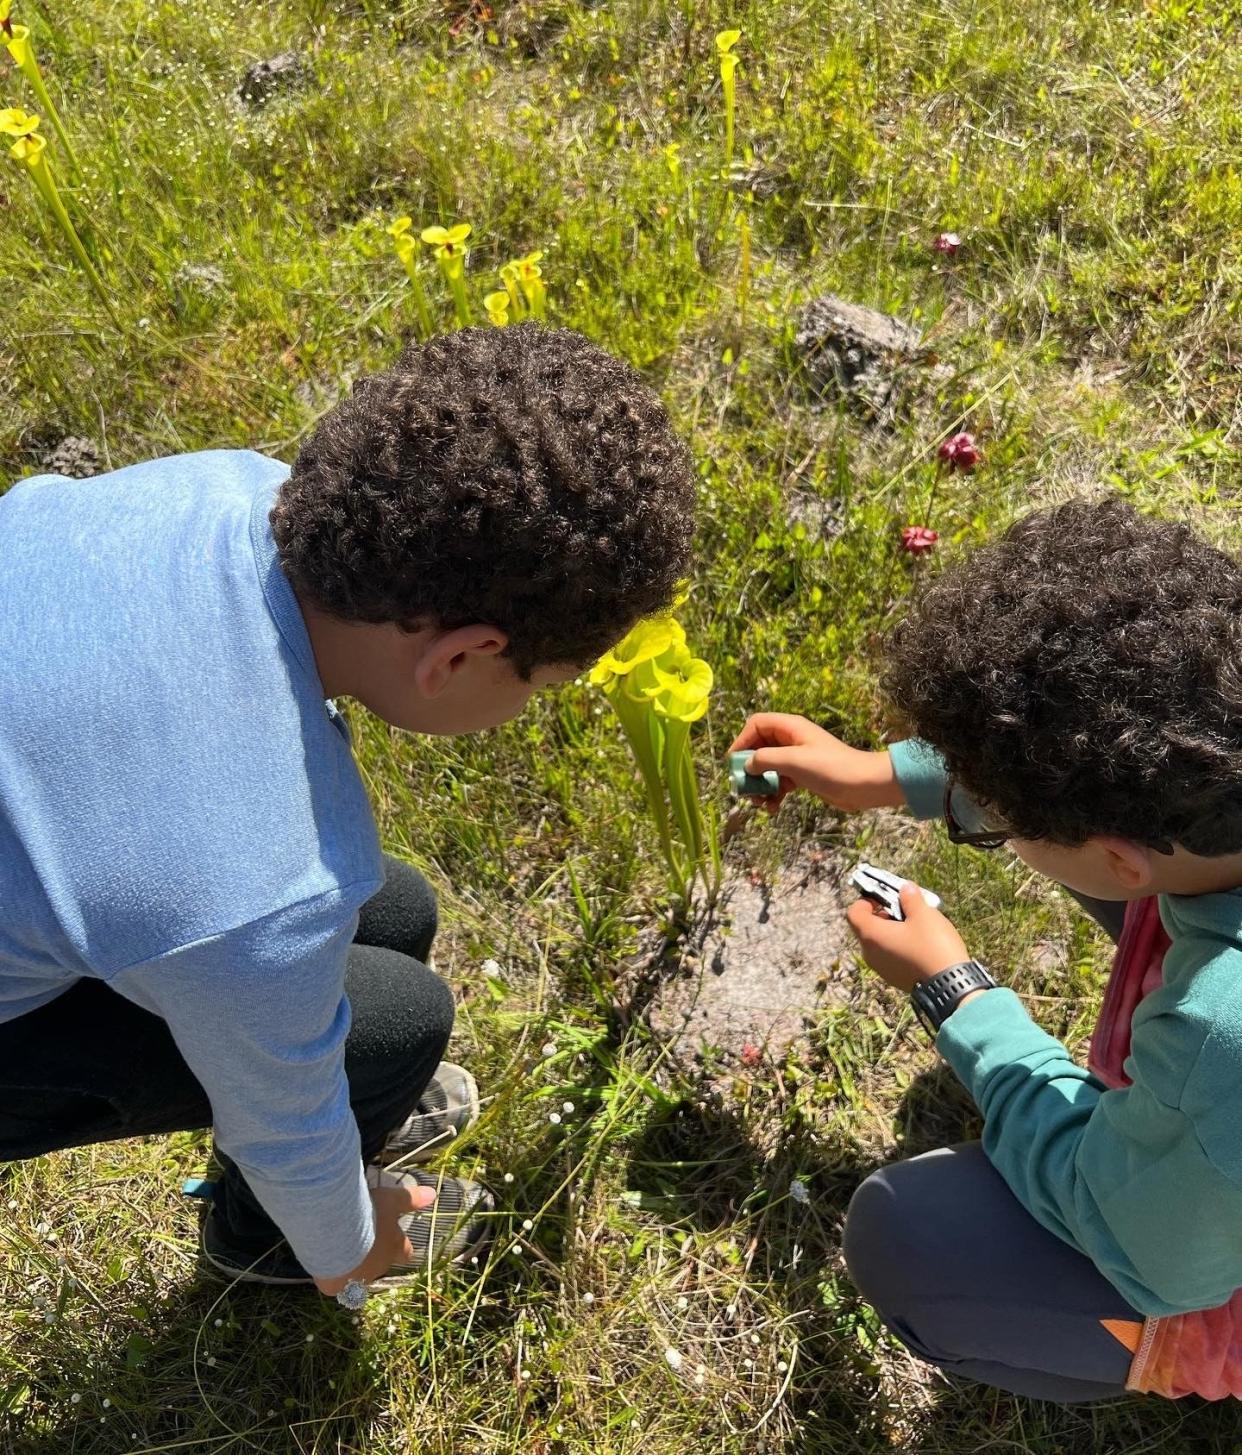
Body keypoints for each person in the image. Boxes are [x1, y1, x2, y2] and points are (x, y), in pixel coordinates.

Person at [0, 323, 694, 1304]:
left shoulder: (224, 485)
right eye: (542, 684)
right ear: (457, 657)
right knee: (396, 1023)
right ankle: (264, 1247)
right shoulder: (261, 883)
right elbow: (282, 1116)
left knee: (393, 912)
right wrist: (343, 1249)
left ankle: (355, 1128)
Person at [732, 497, 1242, 1403]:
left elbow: (1131, 1234)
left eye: (995, 823)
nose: (989, 825)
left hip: (1192, 1258)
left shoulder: (1219, 1038)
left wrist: (959, 996)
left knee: (906, 1235)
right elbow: (1117, 734)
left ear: (1124, 857)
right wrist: (882, 773)